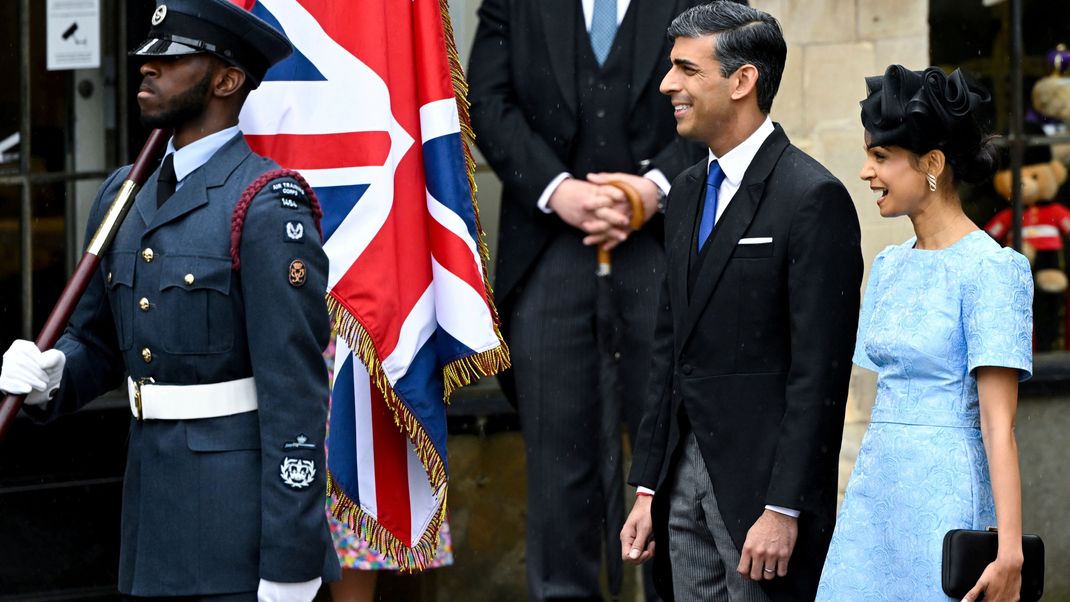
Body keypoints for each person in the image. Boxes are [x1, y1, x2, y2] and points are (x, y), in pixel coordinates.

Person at [0, 0, 340, 599]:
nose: (147, 70)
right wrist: (54, 375)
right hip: (149, 526)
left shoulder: (264, 204)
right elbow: (99, 343)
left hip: (237, 536)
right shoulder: (121, 195)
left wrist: (290, 566)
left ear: (227, 80)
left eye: (171, 59)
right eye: (146, 59)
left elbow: (297, 401)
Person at [467, 0, 722, 599]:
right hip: (549, 246)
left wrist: (653, 189)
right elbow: (487, 100)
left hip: (665, 247)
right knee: (558, 464)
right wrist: (559, 191)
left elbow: (728, 95)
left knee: (678, 463)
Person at [619, 3, 863, 601]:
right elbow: (667, 351)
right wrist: (649, 488)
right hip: (680, 490)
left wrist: (785, 507)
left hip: (762, 503)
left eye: (686, 69)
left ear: (743, 80)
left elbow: (820, 377)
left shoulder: (813, 197)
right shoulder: (683, 193)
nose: (666, 85)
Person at [815, 65, 1032, 602]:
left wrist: (1009, 551)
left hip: (948, 497)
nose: (866, 171)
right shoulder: (888, 265)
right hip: (876, 493)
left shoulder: (992, 269)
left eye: (881, 156)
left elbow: (998, 426)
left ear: (932, 164)